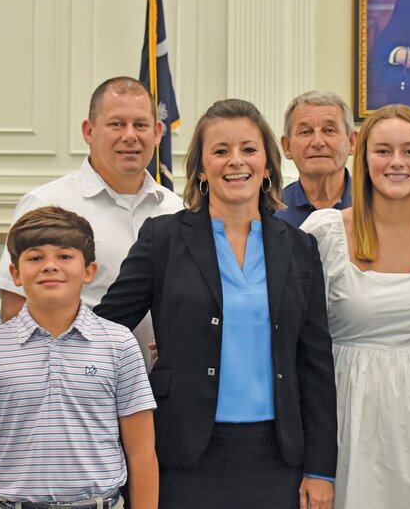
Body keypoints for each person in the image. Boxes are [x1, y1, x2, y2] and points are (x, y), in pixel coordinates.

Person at [94, 99, 338, 509]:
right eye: (220, 151)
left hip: (277, 457)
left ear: (267, 163)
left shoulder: (299, 248)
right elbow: (104, 326)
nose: (235, 161)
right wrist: (14, 358)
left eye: (248, 149)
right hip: (184, 453)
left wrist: (320, 468)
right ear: (202, 168)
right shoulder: (163, 238)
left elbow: (315, 363)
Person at [300, 104, 410, 509]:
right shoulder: (323, 232)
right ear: (362, 159)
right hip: (347, 410)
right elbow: (286, 331)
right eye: (382, 151)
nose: (396, 162)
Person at [0, 206, 158, 509]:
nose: (50, 266)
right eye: (35, 258)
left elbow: (142, 453)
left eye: (64, 256)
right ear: (15, 274)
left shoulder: (119, 345)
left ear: (89, 271)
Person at [0, 76, 183, 366]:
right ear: (89, 131)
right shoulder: (46, 205)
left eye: (140, 125)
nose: (129, 136)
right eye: (116, 124)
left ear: (158, 132)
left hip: (159, 394)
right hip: (75, 395)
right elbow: (13, 313)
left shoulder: (176, 209)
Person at [276, 91, 357, 227]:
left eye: (329, 130)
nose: (318, 142)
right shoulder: (271, 212)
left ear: (352, 142)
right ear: (287, 146)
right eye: (305, 132)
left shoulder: (376, 205)